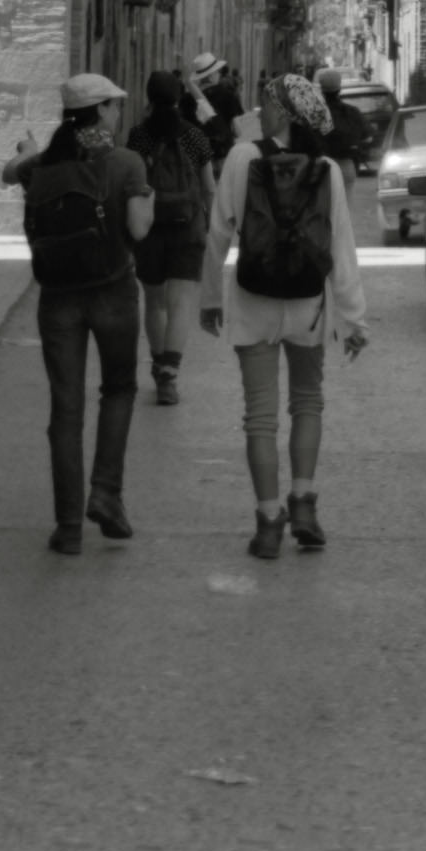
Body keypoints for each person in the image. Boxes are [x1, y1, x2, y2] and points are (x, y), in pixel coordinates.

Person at [201, 74, 367, 560]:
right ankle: (304, 505)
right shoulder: (327, 169)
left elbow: (218, 233)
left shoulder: (241, 157)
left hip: (254, 302)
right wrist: (354, 319)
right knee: (308, 403)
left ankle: (269, 521)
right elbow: (341, 248)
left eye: (269, 104)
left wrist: (210, 297)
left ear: (286, 113)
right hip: (308, 307)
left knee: (259, 416)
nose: (262, 110)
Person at [3, 76, 153, 554]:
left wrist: (29, 151)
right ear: (103, 112)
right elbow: (139, 228)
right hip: (113, 292)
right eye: (114, 107)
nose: (118, 115)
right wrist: (145, 198)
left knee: (65, 410)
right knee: (119, 389)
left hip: (59, 298)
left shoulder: (43, 165)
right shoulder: (127, 161)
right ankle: (106, 495)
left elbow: (7, 174)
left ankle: (68, 527)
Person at [126, 72, 215, 404]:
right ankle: (169, 374)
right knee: (181, 305)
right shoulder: (194, 136)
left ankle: (157, 362)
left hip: (149, 228)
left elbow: (132, 183)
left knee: (155, 301)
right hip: (187, 227)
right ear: (180, 99)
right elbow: (208, 187)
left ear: (148, 97)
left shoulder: (138, 136)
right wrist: (210, 225)